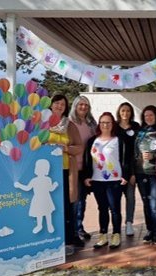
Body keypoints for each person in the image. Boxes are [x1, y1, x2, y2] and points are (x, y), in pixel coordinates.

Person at [82, 112, 130, 249]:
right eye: (103, 122)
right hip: (97, 180)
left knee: (115, 209)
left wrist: (125, 175)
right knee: (102, 209)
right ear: (99, 124)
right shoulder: (93, 141)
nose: (105, 125)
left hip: (114, 180)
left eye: (108, 122)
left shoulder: (118, 140)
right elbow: (87, 160)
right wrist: (86, 176)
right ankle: (103, 235)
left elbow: (126, 159)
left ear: (113, 124)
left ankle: (116, 234)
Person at [47, 94, 85, 254]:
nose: (59, 106)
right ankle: (51, 240)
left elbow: (80, 147)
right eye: (57, 103)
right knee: (49, 207)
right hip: (47, 173)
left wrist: (66, 148)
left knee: (67, 206)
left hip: (65, 171)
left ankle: (68, 241)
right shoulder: (42, 124)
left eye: (63, 104)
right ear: (51, 105)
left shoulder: (69, 126)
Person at [134, 105, 156, 245]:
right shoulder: (139, 132)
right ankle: (149, 230)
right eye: (146, 115)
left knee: (154, 203)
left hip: (155, 172)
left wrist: (153, 155)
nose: (148, 118)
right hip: (140, 171)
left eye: (151, 115)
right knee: (145, 203)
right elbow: (134, 152)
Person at [69, 96, 97, 241]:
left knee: (82, 201)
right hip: (72, 167)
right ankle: (73, 230)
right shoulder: (69, 123)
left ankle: (79, 227)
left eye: (86, 105)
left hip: (86, 168)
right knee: (75, 201)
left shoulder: (92, 124)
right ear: (75, 106)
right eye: (80, 104)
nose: (83, 107)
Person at [115, 102, 141, 236]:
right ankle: (116, 224)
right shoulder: (113, 127)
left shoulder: (136, 127)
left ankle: (129, 223)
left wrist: (133, 172)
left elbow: (138, 150)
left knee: (130, 197)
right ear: (119, 112)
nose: (125, 113)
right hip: (116, 170)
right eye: (123, 110)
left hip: (130, 169)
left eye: (128, 111)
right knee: (115, 199)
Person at [14, 159, 59, 234]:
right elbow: (27, 188)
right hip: (38, 199)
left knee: (48, 212)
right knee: (39, 213)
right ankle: (39, 225)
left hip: (46, 198)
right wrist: (19, 185)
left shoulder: (48, 179)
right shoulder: (34, 180)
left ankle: (49, 225)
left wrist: (54, 185)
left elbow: (50, 189)